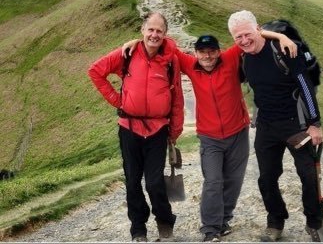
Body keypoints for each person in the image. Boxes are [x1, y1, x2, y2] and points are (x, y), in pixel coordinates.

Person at [122, 30, 296, 242]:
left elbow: (253, 33)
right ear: (195, 53)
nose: (207, 56)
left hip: (238, 133)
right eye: (202, 52)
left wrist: (281, 37)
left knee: (233, 182)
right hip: (209, 137)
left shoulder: (231, 57)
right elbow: (166, 44)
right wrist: (137, 41)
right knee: (213, 181)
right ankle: (210, 229)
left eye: (211, 51)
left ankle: (223, 221)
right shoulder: (189, 65)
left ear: (218, 51)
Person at [227, 10, 323, 242]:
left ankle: (315, 223)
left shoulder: (285, 50)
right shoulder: (244, 57)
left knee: (309, 175)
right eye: (238, 37)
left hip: (296, 124)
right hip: (266, 126)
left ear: (258, 28)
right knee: (267, 178)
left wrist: (315, 124)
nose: (244, 40)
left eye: (247, 34)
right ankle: (275, 221)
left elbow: (305, 86)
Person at [87, 12, 184, 243]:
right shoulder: (127, 54)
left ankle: (164, 221)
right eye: (150, 29)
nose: (154, 34)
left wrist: (175, 130)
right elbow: (95, 71)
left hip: (158, 130)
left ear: (165, 34)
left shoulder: (170, 59)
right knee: (132, 181)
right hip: (129, 128)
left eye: (159, 31)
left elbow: (177, 96)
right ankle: (138, 229)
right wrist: (117, 100)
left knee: (154, 181)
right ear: (142, 30)